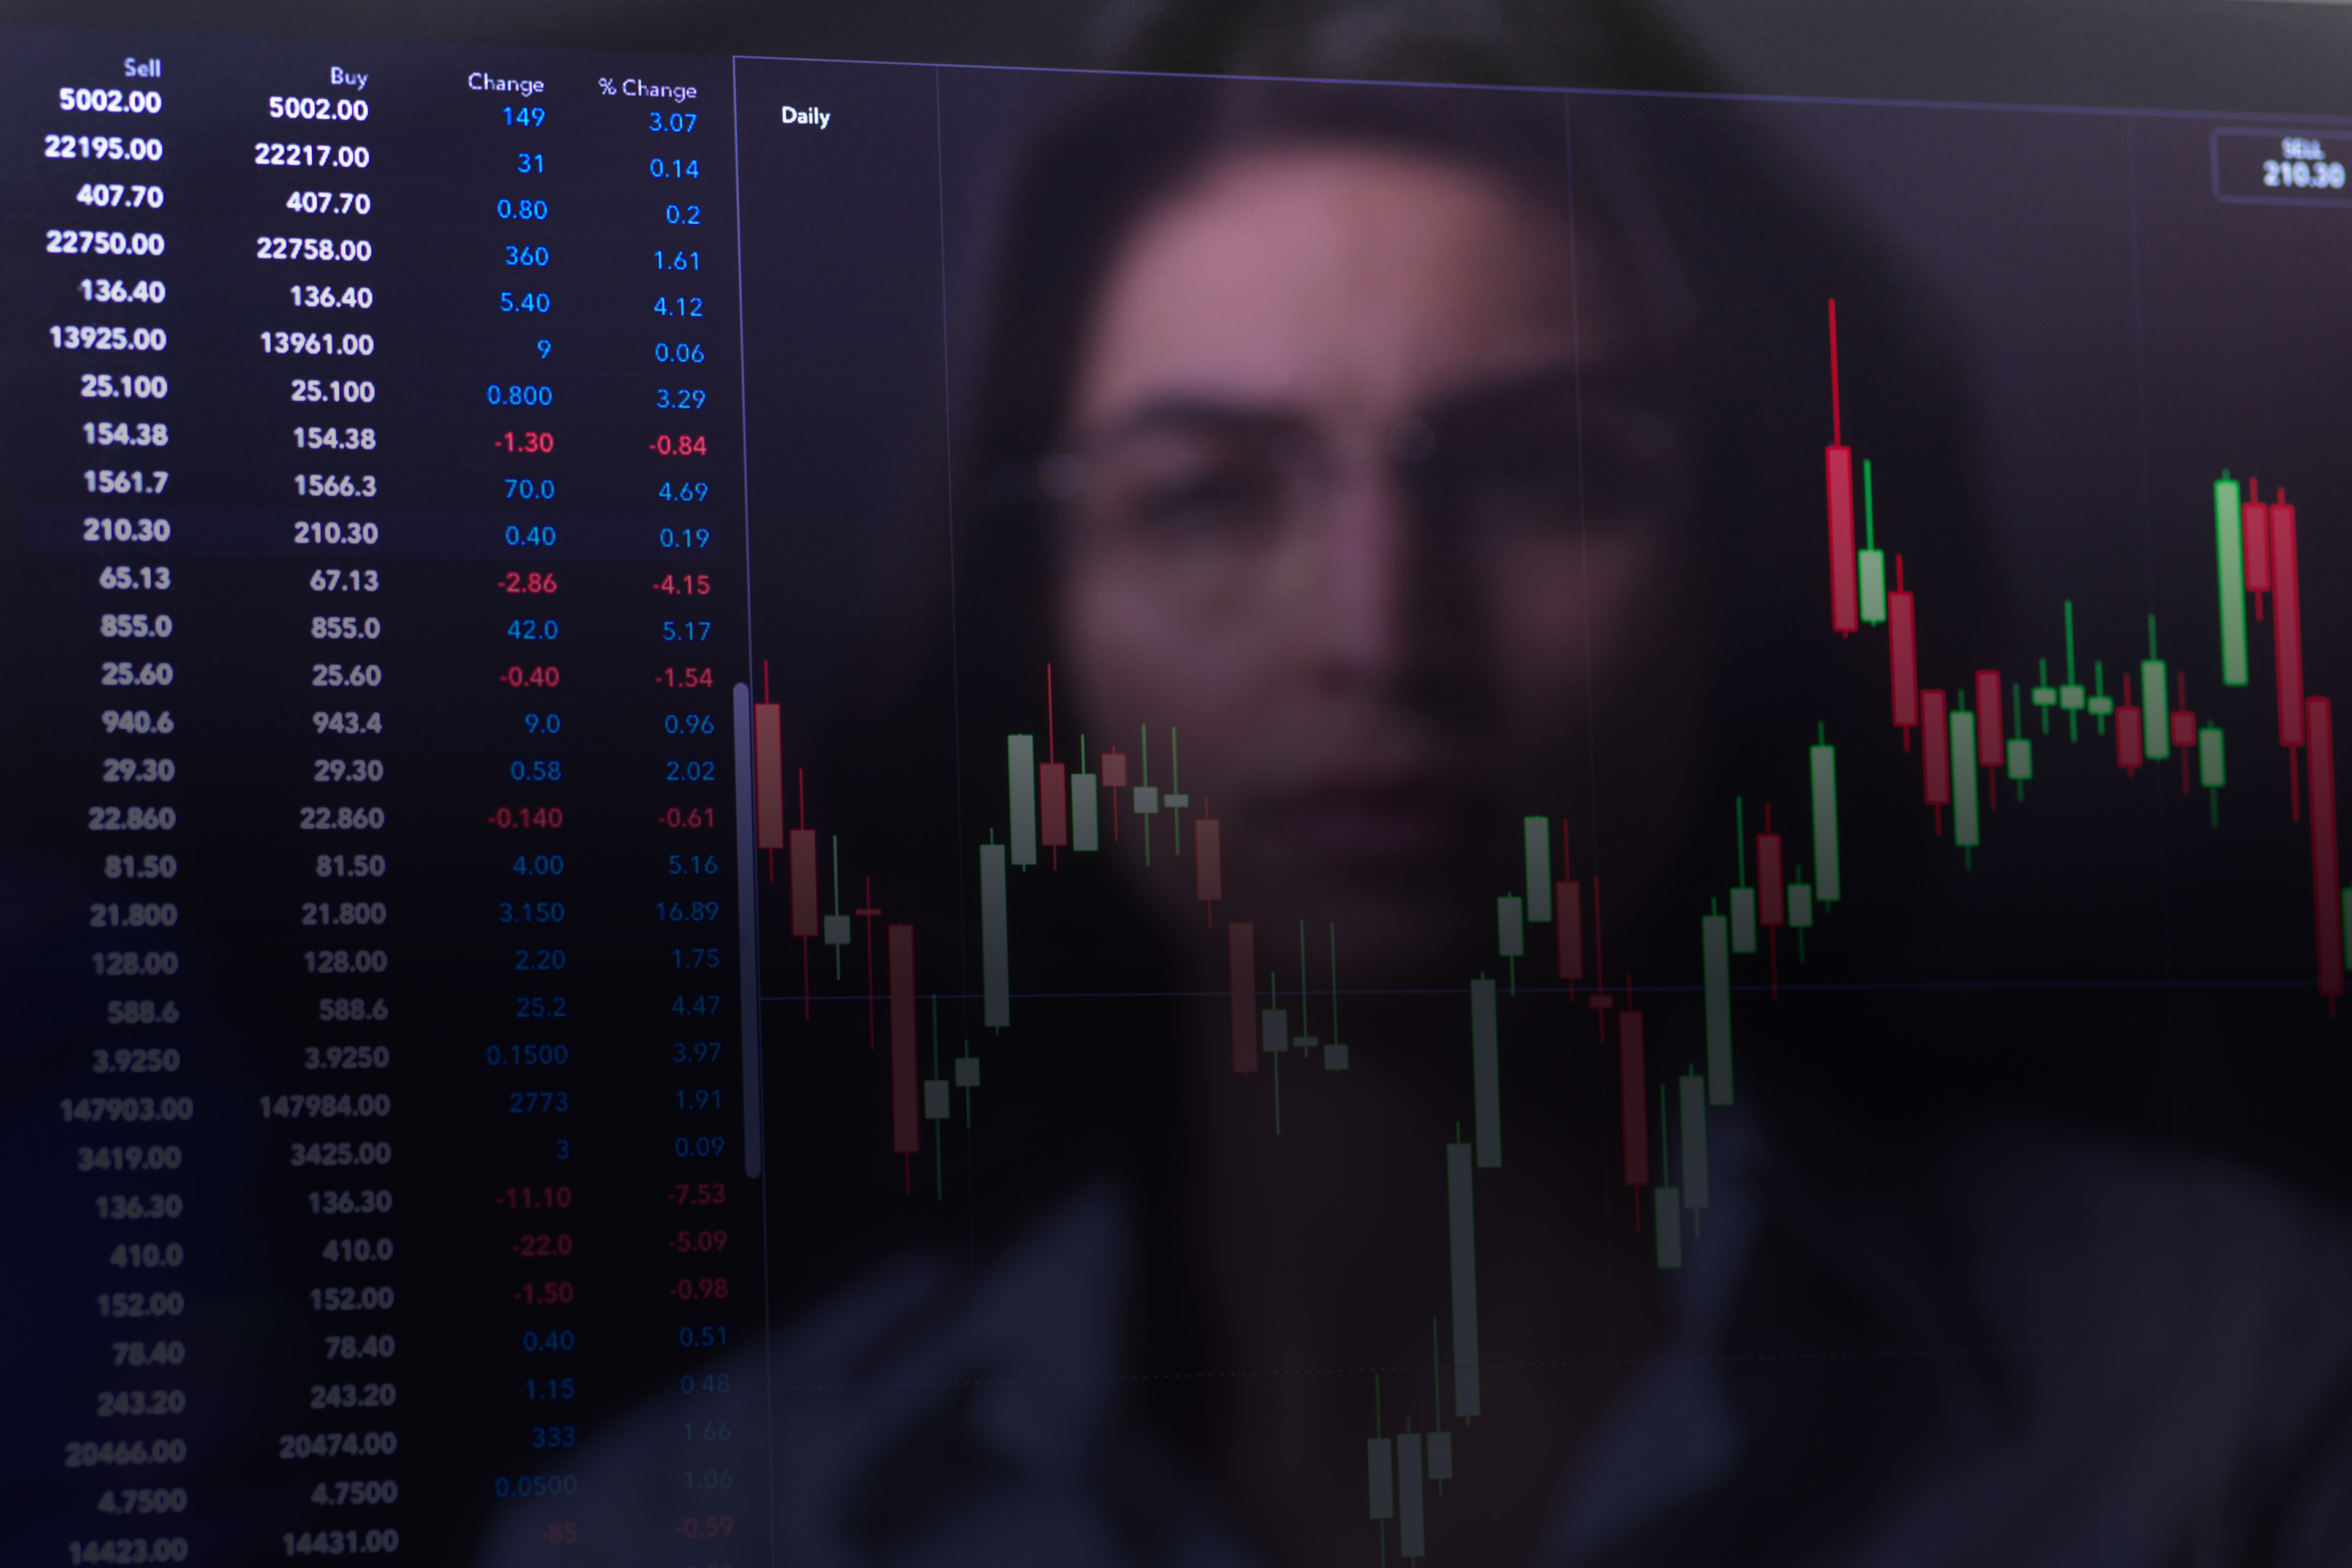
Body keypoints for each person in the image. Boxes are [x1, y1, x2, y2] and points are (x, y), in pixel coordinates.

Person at [480, 13, 2352, 1566]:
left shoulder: (2238, 1395)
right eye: (1209, 491)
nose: (1380, 635)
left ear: (1763, 570)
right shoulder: (687, 1535)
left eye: (1544, 472)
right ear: (1034, 634)